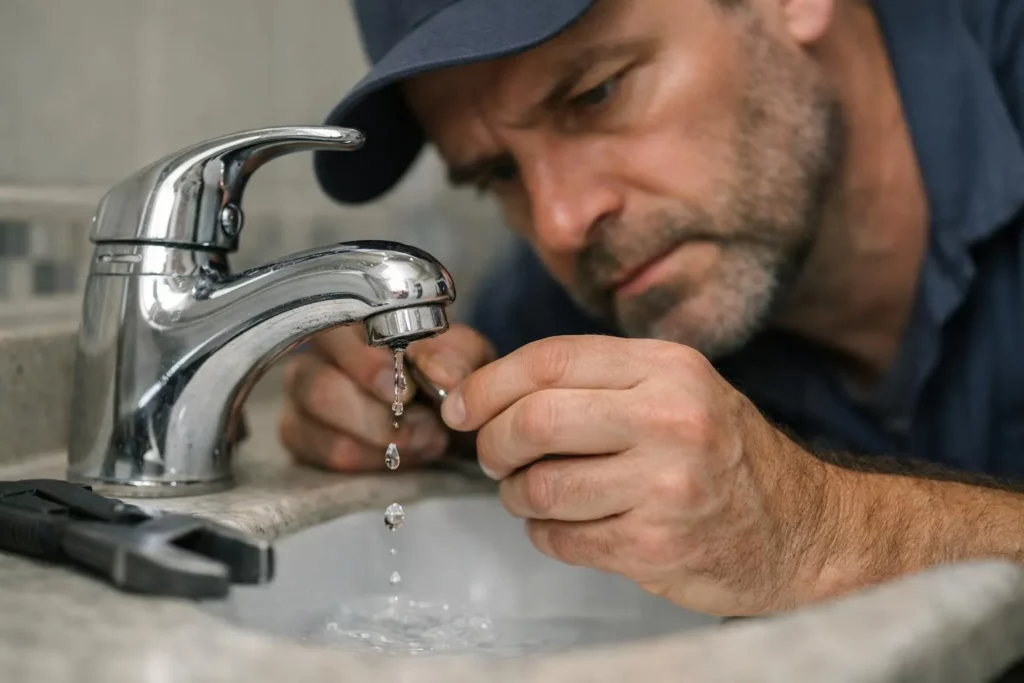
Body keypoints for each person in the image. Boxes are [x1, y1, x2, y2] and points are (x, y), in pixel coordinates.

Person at [278, 0, 1024, 617]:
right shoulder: (575, 300)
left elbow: (810, 527)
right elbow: (449, 404)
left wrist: (825, 531)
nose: (560, 223)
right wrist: (400, 412)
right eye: (500, 172)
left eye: (595, 93)